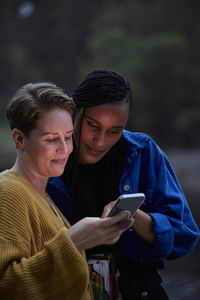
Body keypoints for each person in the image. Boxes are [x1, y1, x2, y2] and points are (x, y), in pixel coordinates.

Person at [47, 70, 200, 300]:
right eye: (93, 126)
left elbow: (184, 235)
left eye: (114, 131)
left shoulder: (143, 152)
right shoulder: (48, 155)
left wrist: (134, 216)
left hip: (138, 290)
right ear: (74, 111)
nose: (100, 141)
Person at [0, 82, 132, 299]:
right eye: (52, 139)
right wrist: (74, 241)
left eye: (68, 136)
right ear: (19, 138)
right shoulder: (9, 192)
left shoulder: (43, 195)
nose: (65, 149)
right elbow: (7, 287)